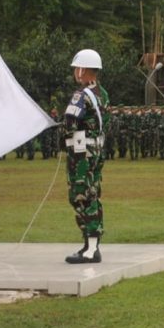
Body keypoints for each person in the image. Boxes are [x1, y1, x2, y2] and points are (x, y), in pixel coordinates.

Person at [60, 48, 109, 264]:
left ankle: (91, 248)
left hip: (82, 154)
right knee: (93, 194)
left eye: (76, 69)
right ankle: (90, 245)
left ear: (82, 70)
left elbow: (69, 124)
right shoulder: (102, 93)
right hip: (97, 150)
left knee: (81, 196)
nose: (74, 73)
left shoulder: (80, 95)